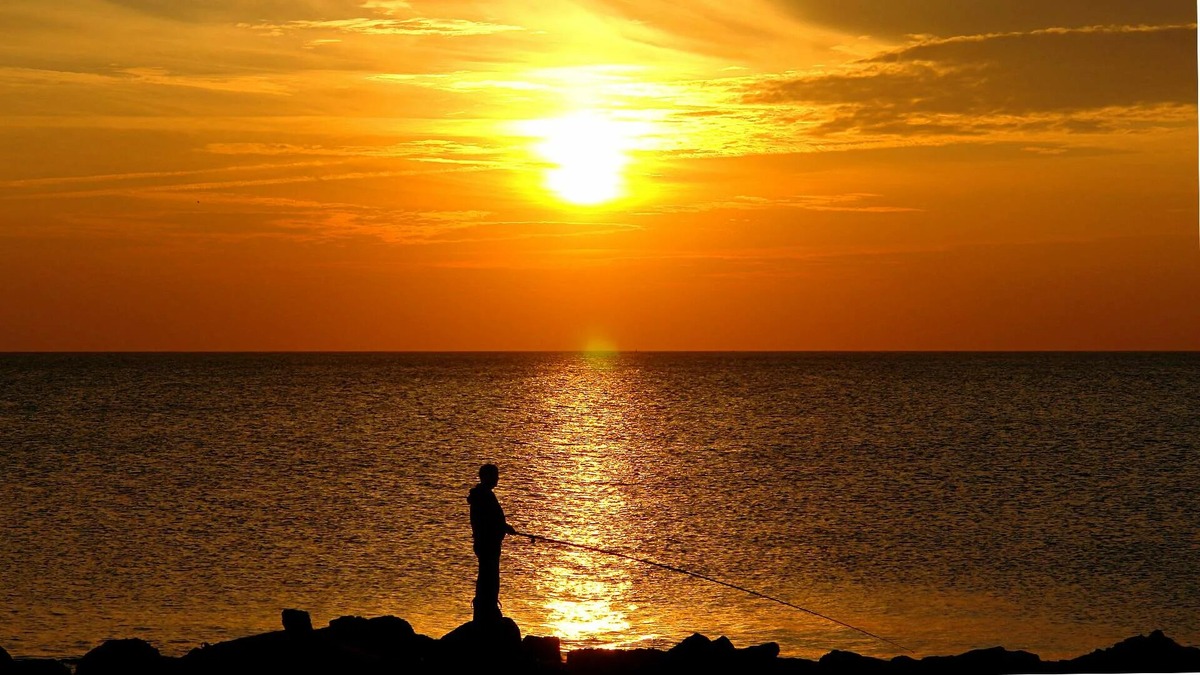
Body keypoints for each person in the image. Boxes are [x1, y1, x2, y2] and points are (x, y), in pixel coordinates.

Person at [468, 463, 517, 622]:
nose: (497, 479)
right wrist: (504, 527)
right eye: (495, 476)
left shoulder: (482, 495)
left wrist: (504, 527)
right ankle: (487, 607)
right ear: (486, 477)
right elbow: (490, 521)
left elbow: (493, 520)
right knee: (489, 576)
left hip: (486, 543)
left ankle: (487, 605)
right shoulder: (484, 496)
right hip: (487, 544)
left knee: (487, 575)